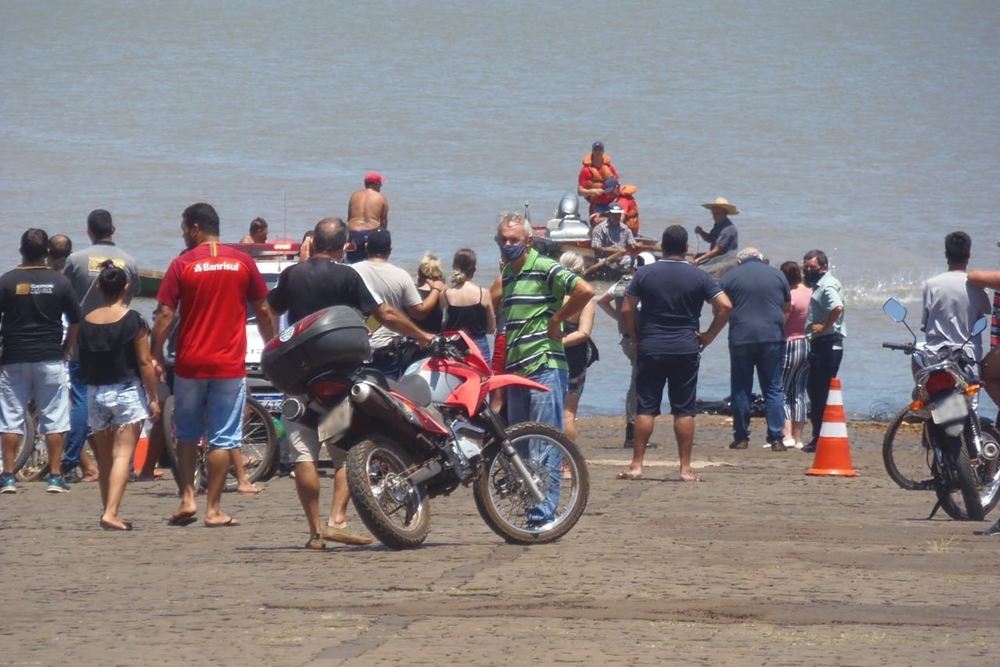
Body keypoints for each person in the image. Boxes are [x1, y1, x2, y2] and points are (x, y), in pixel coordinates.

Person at [267, 217, 434, 549]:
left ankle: (315, 532)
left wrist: (275, 337)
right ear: (345, 246)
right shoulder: (348, 275)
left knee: (304, 455)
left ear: (312, 243)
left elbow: (270, 307)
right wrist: (421, 335)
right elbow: (383, 313)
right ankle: (337, 519)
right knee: (346, 451)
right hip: (340, 380)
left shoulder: (292, 275)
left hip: (299, 378)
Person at [151, 202, 275, 528]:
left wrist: (155, 352)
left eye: (183, 229)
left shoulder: (182, 264)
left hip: (190, 363)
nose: (182, 234)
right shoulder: (243, 261)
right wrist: (272, 346)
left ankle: (187, 499)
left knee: (187, 433)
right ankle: (213, 510)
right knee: (223, 437)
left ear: (195, 228)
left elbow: (164, 315)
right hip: (228, 364)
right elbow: (263, 310)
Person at [496, 213, 594, 525]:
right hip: (517, 368)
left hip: (544, 364)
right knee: (520, 448)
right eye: (503, 240)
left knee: (544, 443)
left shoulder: (542, 265)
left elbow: (585, 290)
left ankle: (544, 514)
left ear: (527, 241)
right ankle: (533, 508)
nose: (508, 245)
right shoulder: (509, 274)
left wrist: (556, 320)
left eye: (514, 240)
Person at [618, 225, 732, 481]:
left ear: (662, 246)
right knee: (684, 410)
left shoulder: (645, 273)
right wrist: (709, 336)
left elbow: (627, 309)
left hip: (652, 346)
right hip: (685, 347)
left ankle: (636, 465)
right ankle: (685, 469)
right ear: (687, 248)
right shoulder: (699, 276)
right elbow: (725, 306)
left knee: (646, 408)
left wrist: (636, 337)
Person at [78, 261, 160, 530]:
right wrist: (153, 397)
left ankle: (108, 510)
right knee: (124, 455)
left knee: (105, 459)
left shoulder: (86, 321)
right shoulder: (133, 320)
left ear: (99, 287)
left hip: (96, 393)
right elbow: (145, 363)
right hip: (126, 392)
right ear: (126, 288)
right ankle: (111, 512)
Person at [61, 209, 141, 483]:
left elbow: (65, 294)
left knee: (82, 400)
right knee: (125, 402)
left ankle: (71, 461)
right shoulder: (128, 260)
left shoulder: (74, 260)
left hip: (85, 338)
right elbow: (134, 291)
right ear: (113, 229)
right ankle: (125, 464)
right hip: (121, 340)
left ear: (88, 231)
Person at [0, 229, 82, 494]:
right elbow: (76, 320)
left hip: (13, 357)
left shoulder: (7, 281)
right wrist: (66, 348)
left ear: (20, 250)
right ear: (47, 252)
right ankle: (56, 477)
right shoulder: (60, 282)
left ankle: (8, 476)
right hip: (50, 357)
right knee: (54, 418)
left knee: (10, 418)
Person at [719, 248, 791, 451]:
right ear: (761, 259)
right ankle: (776, 438)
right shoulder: (778, 274)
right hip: (771, 336)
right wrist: (777, 327)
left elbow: (719, 307)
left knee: (741, 388)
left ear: (740, 261)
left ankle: (741, 437)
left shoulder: (730, 276)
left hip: (741, 336)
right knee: (774, 388)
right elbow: (787, 308)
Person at [352, 228, 444, 378]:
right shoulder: (401, 276)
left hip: (354, 348)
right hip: (386, 350)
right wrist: (436, 290)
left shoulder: (351, 271)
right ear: (390, 249)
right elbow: (418, 313)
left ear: (367, 246)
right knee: (388, 397)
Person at [597, 251, 656, 448]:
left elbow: (602, 301)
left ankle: (633, 431)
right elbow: (635, 309)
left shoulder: (622, 282)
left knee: (638, 382)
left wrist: (619, 318)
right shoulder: (644, 285)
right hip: (638, 339)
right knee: (638, 385)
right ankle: (633, 433)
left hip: (625, 340)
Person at [801, 249, 845, 453]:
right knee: (817, 391)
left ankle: (819, 437)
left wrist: (825, 326)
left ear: (824, 267)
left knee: (819, 393)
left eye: (812, 267)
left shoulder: (826, 285)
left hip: (827, 342)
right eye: (806, 267)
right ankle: (820, 435)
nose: (808, 271)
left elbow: (837, 308)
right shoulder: (821, 284)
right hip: (824, 342)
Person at [557, 252, 597, 445]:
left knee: (547, 411)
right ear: (581, 272)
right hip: (576, 360)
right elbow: (584, 333)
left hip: (550, 358)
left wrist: (555, 343)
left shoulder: (550, 295)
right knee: (568, 414)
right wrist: (563, 342)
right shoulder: (585, 299)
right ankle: (566, 464)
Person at [442, 249, 496, 361]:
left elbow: (442, 325)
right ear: (475, 269)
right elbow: (491, 329)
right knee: (484, 377)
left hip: (455, 346)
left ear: (454, 267)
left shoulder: (445, 295)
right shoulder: (483, 293)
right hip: (479, 346)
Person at [780, 261, 811, 450]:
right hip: (806, 343)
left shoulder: (790, 296)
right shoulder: (810, 293)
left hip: (790, 343)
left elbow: (782, 320)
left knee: (781, 391)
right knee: (798, 392)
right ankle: (798, 439)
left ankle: (787, 435)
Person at [346, 172, 389, 263]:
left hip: (353, 234)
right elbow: (383, 222)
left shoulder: (354, 195)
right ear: (376, 184)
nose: (381, 186)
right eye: (380, 183)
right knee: (372, 264)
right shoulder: (381, 197)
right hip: (371, 234)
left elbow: (349, 218)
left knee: (352, 265)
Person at [692, 198, 740, 267]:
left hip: (726, 261)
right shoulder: (718, 225)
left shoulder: (727, 229)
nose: (715, 216)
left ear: (725, 213)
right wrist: (701, 232)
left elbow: (716, 250)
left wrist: (699, 259)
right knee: (697, 256)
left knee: (699, 262)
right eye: (713, 213)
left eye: (718, 213)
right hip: (717, 258)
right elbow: (709, 239)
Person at [577, 141, 620, 217]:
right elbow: (580, 192)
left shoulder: (610, 168)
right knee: (597, 224)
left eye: (600, 150)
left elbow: (617, 185)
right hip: (596, 205)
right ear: (592, 151)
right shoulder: (586, 170)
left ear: (603, 151)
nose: (598, 152)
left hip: (610, 203)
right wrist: (593, 191)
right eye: (596, 150)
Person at [590, 202, 636, 270]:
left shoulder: (625, 229)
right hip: (604, 260)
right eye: (614, 214)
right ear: (609, 214)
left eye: (618, 214)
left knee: (633, 260)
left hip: (620, 260)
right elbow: (596, 247)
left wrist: (636, 246)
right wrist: (616, 251)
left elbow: (632, 244)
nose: (616, 217)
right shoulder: (599, 228)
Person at [414, 253, 446, 334]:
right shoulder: (446, 295)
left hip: (413, 341)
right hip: (437, 342)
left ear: (419, 275)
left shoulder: (411, 294)